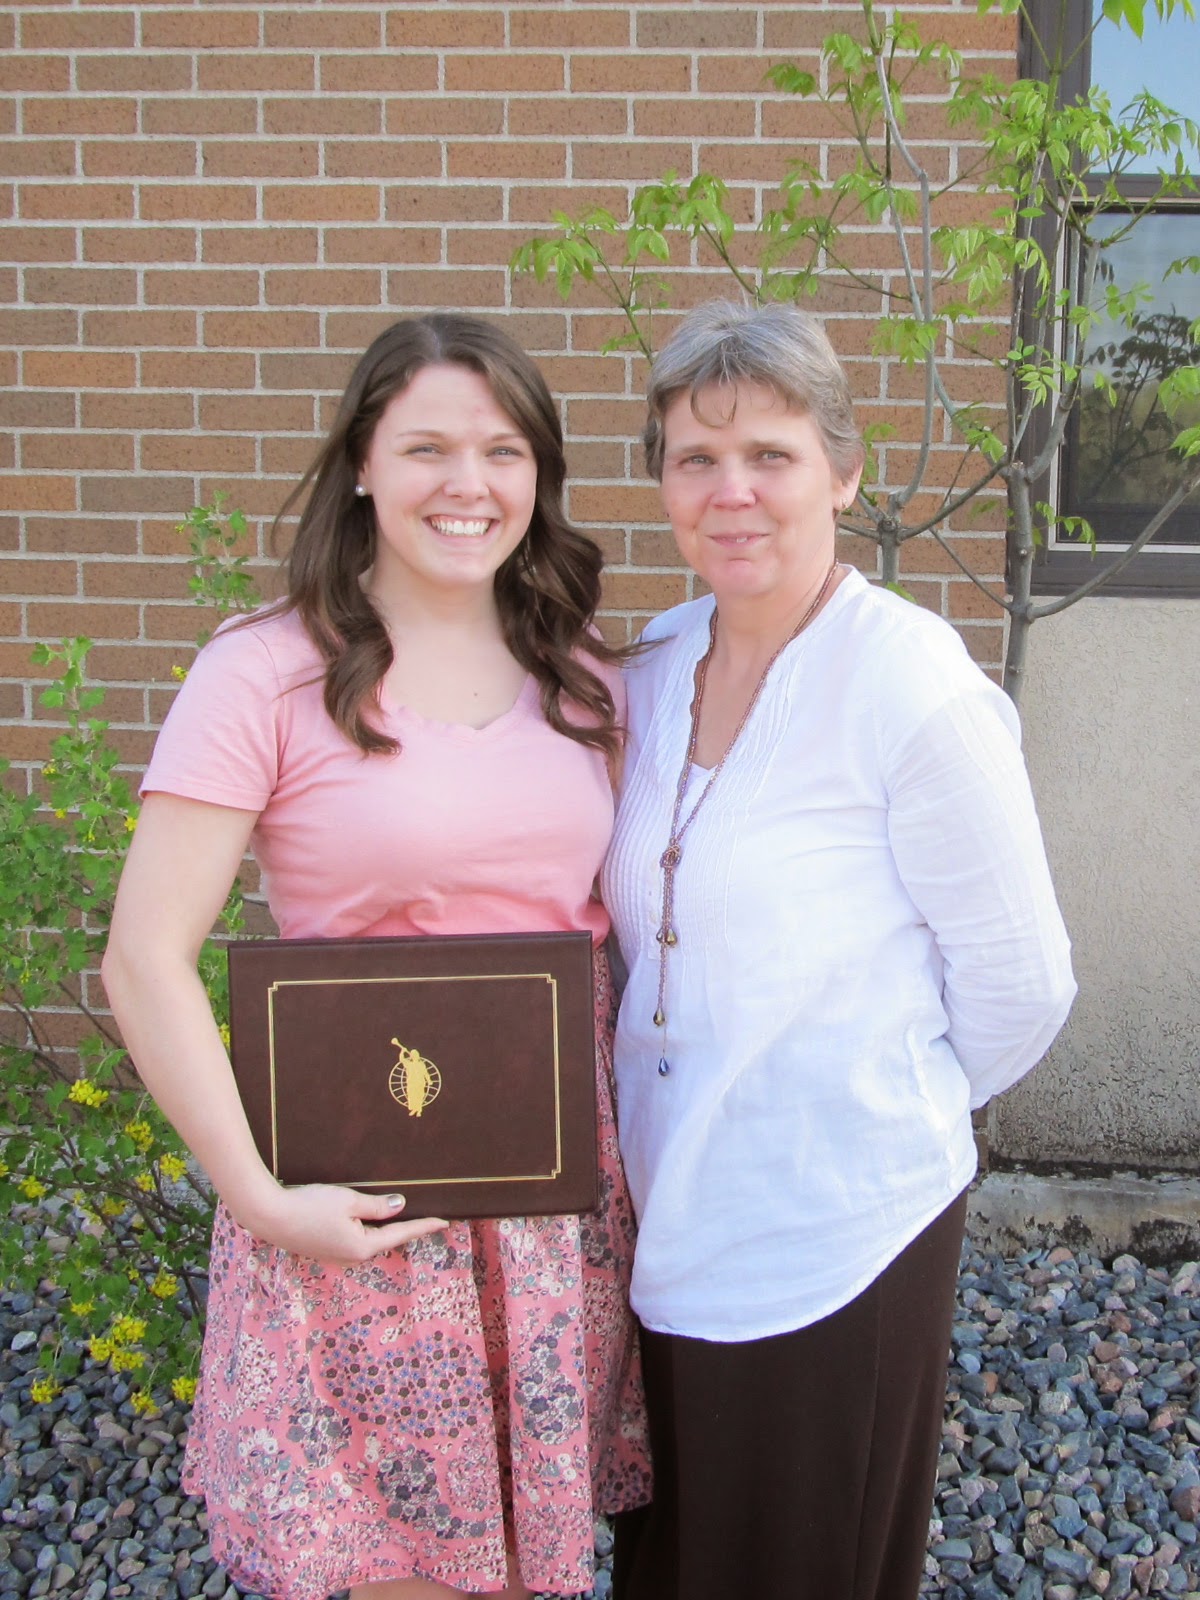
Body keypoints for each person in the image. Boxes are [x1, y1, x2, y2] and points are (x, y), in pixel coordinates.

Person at [102, 313, 651, 1600]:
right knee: (397, 1568)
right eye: (427, 448)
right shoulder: (263, 671)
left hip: (554, 1205)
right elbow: (143, 957)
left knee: (530, 1563)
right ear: (360, 462)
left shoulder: (586, 677)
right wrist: (256, 1196)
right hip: (361, 1199)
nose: (470, 483)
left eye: (504, 451)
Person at [601, 300, 1076, 1600]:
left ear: (844, 473)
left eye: (772, 454)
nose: (732, 491)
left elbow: (1024, 983)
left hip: (836, 1234)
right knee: (676, 1560)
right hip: (668, 1216)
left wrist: (877, 1103)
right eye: (696, 459)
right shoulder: (653, 665)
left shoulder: (909, 685)